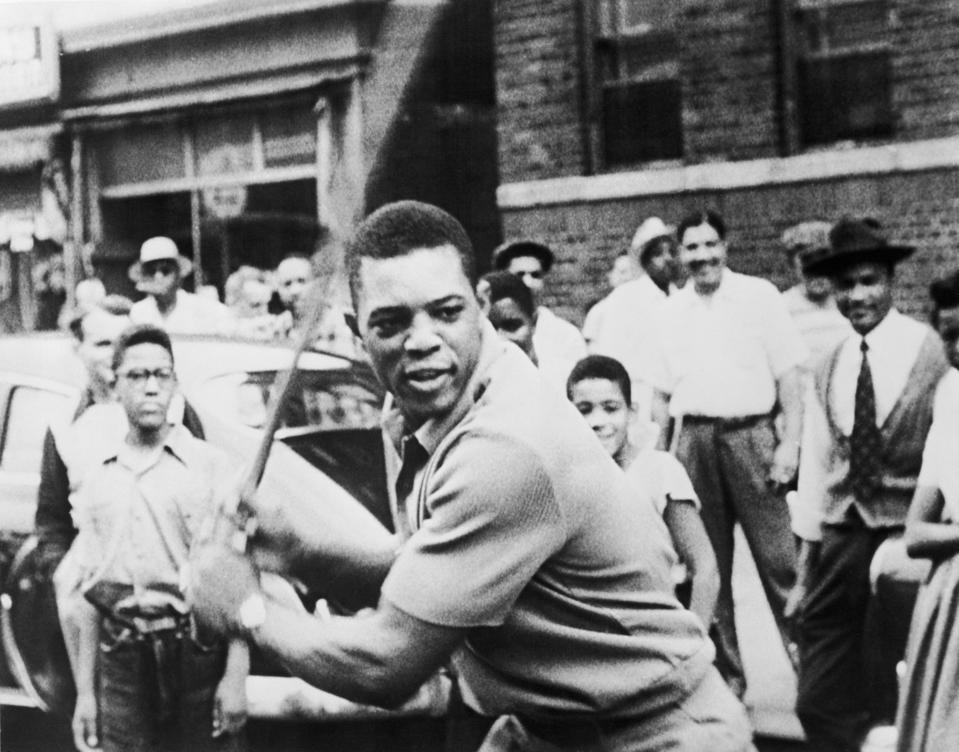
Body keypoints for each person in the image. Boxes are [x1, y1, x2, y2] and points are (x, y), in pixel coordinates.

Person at [189, 200, 753, 752]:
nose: (423, 340)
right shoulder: (428, 409)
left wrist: (248, 610)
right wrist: (297, 551)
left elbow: (388, 663)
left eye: (447, 311)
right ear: (355, 333)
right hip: (549, 730)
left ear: (479, 307)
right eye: (391, 322)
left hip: (659, 732)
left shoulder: (502, 447)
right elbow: (423, 577)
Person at [788, 218, 949, 752]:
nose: (857, 296)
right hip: (840, 539)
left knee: (896, 693)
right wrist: (806, 571)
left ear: (890, 283)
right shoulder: (829, 361)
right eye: (846, 285)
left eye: (868, 281)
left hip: (907, 543)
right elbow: (814, 467)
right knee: (817, 699)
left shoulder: (931, 353)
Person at [639, 208, 806, 699]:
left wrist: (790, 444)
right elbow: (661, 400)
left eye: (710, 244)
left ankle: (810, 673)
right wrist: (660, 462)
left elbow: (789, 380)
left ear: (725, 247)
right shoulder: (668, 312)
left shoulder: (759, 297)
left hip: (753, 438)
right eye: (691, 248)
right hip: (694, 444)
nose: (702, 256)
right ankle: (727, 682)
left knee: (783, 565)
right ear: (679, 254)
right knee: (706, 568)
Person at [69, 324, 248, 752]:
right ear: (114, 386)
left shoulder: (210, 467)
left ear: (174, 385)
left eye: (161, 375)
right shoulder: (97, 476)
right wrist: (86, 692)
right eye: (136, 376)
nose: (151, 387)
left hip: (195, 652)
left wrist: (236, 674)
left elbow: (240, 576)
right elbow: (91, 595)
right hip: (123, 658)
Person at [566, 354, 719, 629]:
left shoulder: (659, 470)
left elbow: (705, 567)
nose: (597, 421)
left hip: (660, 625)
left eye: (611, 408)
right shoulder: (569, 482)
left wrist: (695, 642)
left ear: (632, 412)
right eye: (584, 410)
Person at [895, 269, 959, 752]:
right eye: (951, 336)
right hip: (951, 595)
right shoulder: (951, 399)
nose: (958, 349)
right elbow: (916, 533)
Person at [587, 217, 683, 419]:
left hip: (678, 398)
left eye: (671, 252)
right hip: (640, 398)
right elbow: (609, 353)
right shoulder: (626, 298)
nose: (667, 259)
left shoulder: (681, 299)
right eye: (658, 254)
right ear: (645, 261)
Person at [492, 239, 586, 385]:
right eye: (519, 275)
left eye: (536, 275)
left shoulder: (566, 335)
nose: (528, 283)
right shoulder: (490, 331)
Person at [129, 236, 235, 335]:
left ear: (178, 275)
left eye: (165, 270)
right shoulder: (137, 312)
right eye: (151, 271)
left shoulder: (201, 308)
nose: (158, 277)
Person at [780, 221, 851, 368]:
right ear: (793, 265)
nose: (817, 269)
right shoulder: (782, 308)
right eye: (807, 260)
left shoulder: (851, 302)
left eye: (824, 258)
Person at [581, 253, 639, 346]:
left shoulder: (646, 309)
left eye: (633, 272)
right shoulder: (599, 312)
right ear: (611, 276)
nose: (628, 277)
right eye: (622, 272)